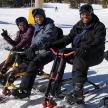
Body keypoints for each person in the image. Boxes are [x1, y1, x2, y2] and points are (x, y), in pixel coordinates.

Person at [45, 4, 106, 107]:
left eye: (87, 15)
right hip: (79, 50)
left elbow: (98, 42)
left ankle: (78, 93)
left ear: (91, 14)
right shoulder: (78, 25)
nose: (84, 17)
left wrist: (86, 48)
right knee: (61, 53)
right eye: (82, 14)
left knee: (79, 59)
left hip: (95, 54)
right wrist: (53, 44)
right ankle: (56, 83)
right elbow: (68, 38)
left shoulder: (99, 26)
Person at [11, 8, 59, 99]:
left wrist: (34, 46)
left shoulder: (50, 26)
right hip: (37, 51)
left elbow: (45, 37)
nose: (38, 18)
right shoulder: (36, 26)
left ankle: (25, 90)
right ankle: (6, 78)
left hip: (49, 51)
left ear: (43, 16)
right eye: (36, 17)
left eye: (40, 16)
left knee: (33, 64)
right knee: (22, 62)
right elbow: (29, 37)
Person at [0, 17, 35, 83]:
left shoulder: (30, 29)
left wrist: (17, 47)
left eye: (23, 24)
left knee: (18, 59)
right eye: (19, 25)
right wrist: (6, 37)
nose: (22, 26)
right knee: (11, 57)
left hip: (30, 52)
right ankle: (2, 71)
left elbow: (26, 40)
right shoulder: (19, 32)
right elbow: (15, 43)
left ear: (26, 23)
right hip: (22, 51)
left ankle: (9, 78)